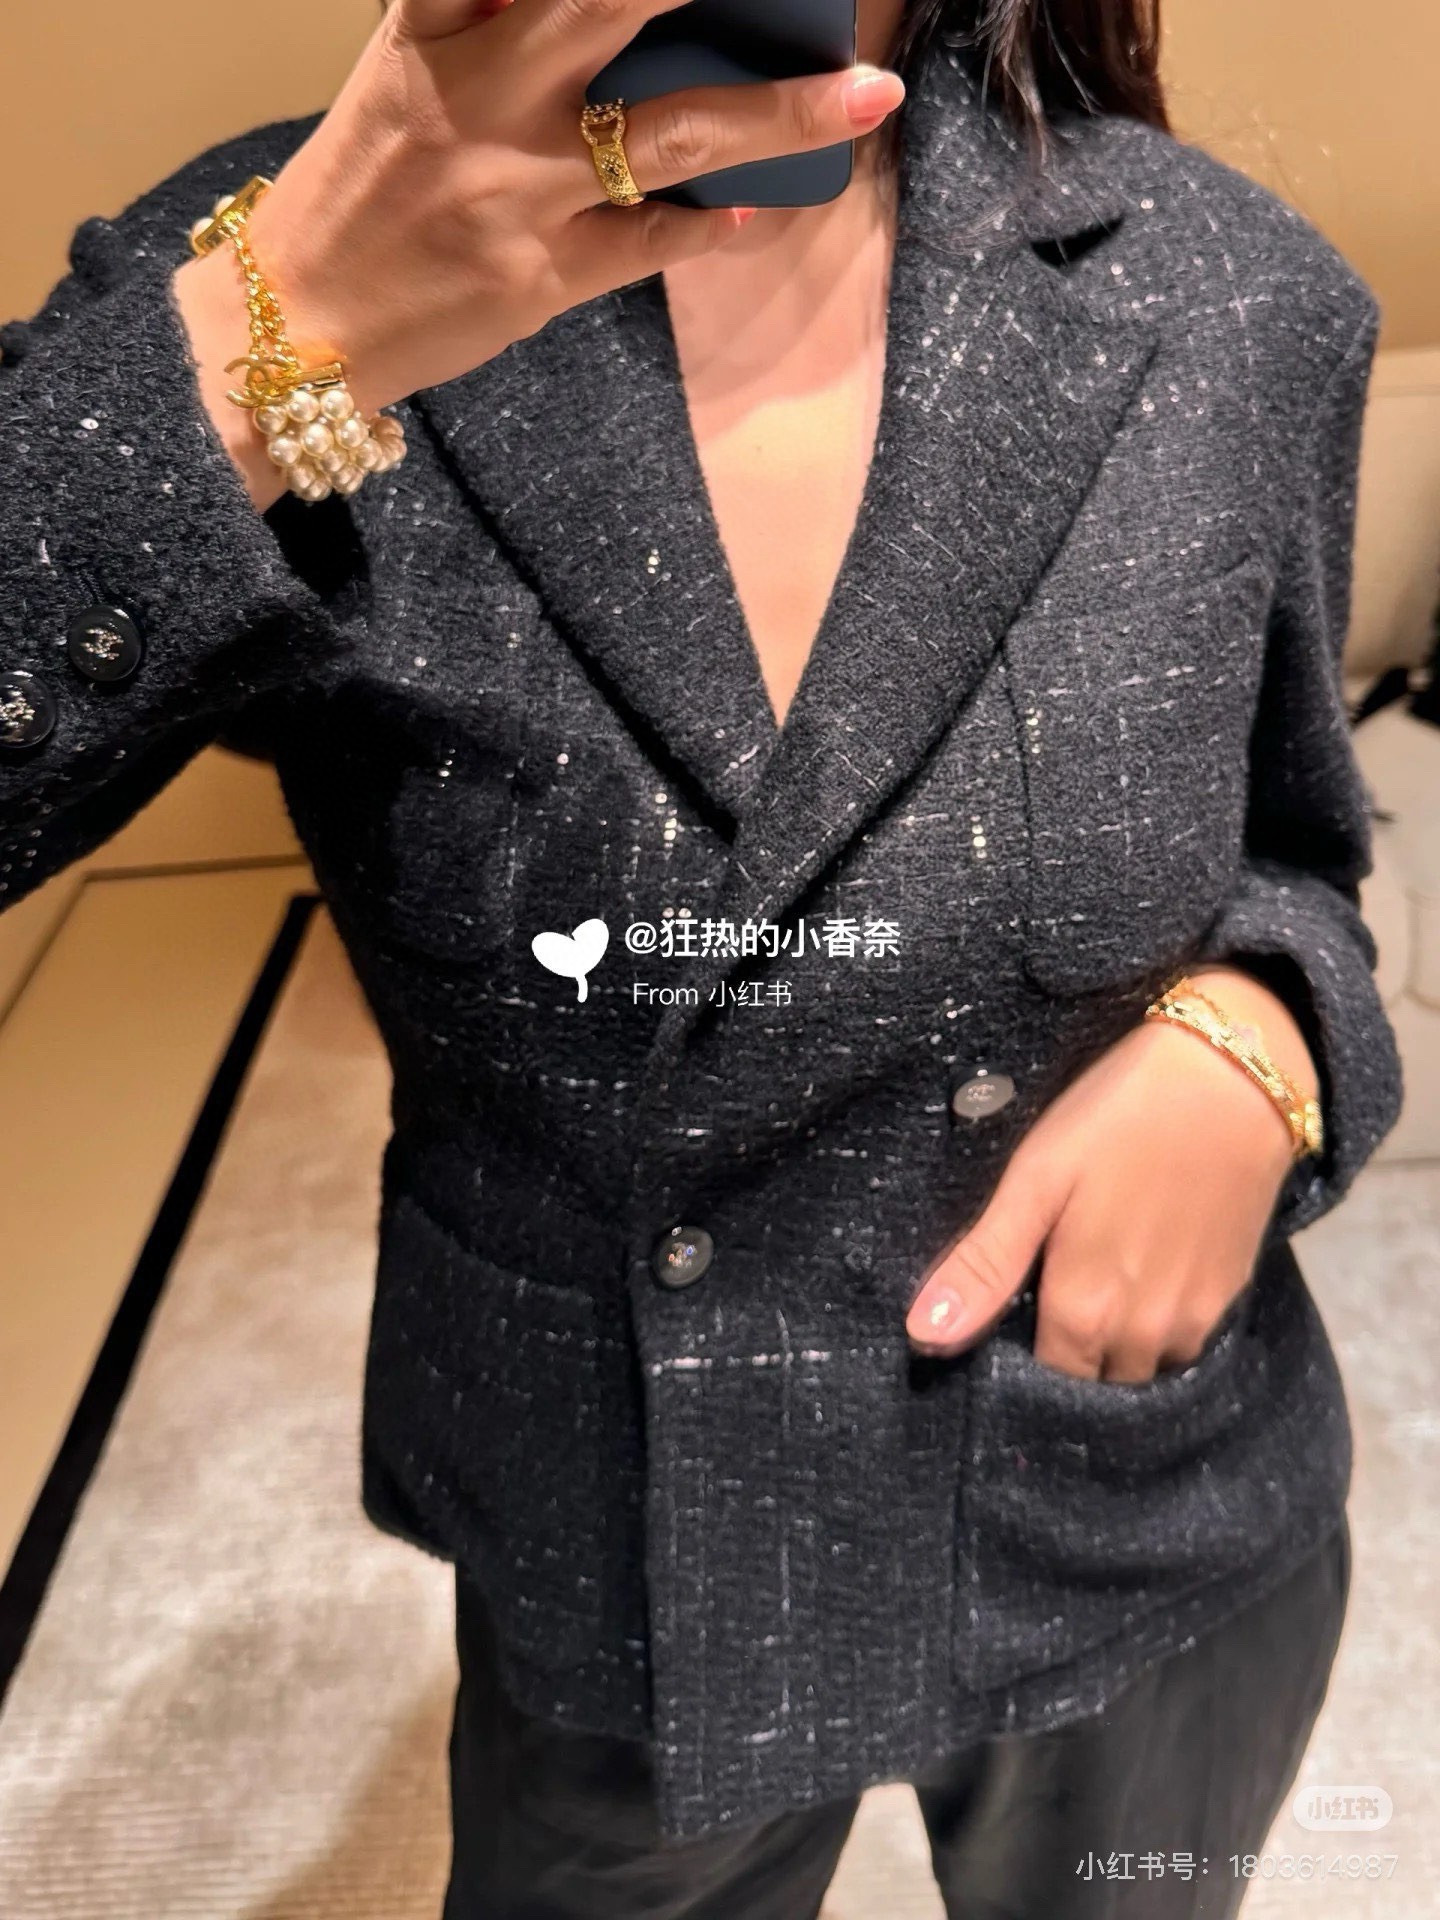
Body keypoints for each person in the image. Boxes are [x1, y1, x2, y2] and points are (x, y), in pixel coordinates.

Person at [0, 0, 1403, 1913]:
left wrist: (1262, 1038)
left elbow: (1302, 853)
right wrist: (277, 336)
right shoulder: (260, 274)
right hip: (622, 1551)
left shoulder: (1232, 291)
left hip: (1128, 1491)